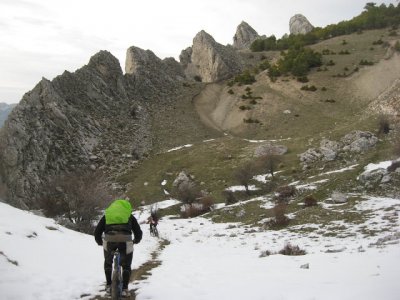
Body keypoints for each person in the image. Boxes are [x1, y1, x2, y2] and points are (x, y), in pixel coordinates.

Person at [94, 199, 142, 297]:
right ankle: (125, 289)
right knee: (126, 264)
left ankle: (108, 286)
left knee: (108, 262)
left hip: (109, 240)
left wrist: (99, 242)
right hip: (126, 240)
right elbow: (138, 232)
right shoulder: (129, 216)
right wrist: (136, 240)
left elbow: (97, 232)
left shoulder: (107, 215)